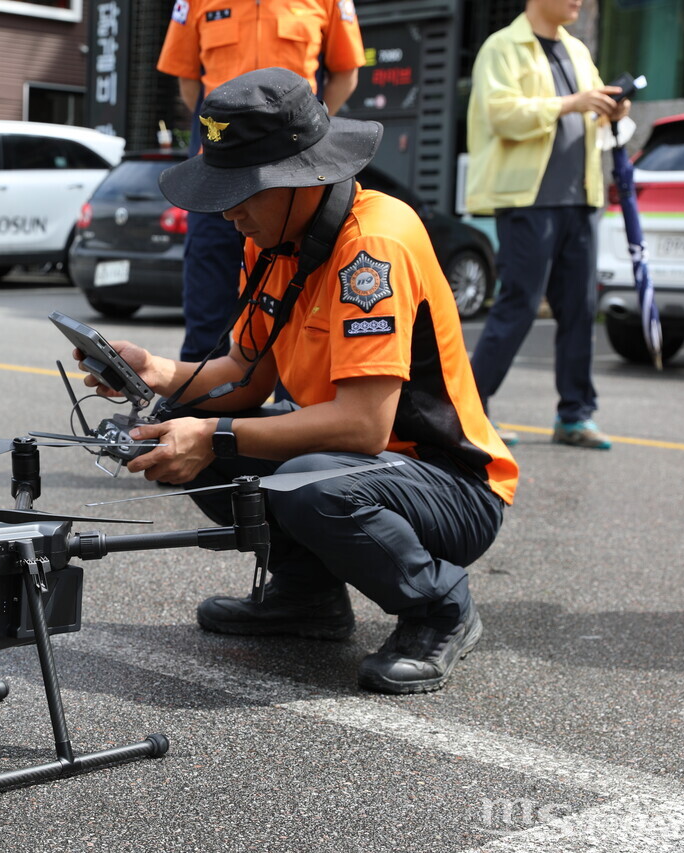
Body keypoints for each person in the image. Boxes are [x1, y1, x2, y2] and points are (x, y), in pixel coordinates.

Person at [71, 69, 518, 695]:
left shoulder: (373, 246)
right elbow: (244, 378)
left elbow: (365, 428)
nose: (228, 212)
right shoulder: (275, 242)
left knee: (294, 477)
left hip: (450, 483)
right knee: (182, 436)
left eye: (243, 192)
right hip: (357, 464)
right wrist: (157, 375)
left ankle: (441, 608)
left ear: (299, 177)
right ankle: (306, 597)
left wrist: (215, 434)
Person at [157, 0, 364, 362]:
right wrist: (231, 140)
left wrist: (308, 132)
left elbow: (346, 74)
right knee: (208, 287)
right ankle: (199, 399)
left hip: (293, 163)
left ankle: (297, 407)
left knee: (302, 290)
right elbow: (188, 79)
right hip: (220, 161)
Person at [465, 0, 629, 449]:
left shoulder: (577, 50)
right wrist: (572, 103)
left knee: (578, 309)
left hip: (579, 199)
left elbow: (590, 113)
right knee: (519, 304)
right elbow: (501, 114)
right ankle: (469, 413)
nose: (580, 1)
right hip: (527, 200)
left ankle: (575, 415)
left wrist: (610, 110)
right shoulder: (501, 47)